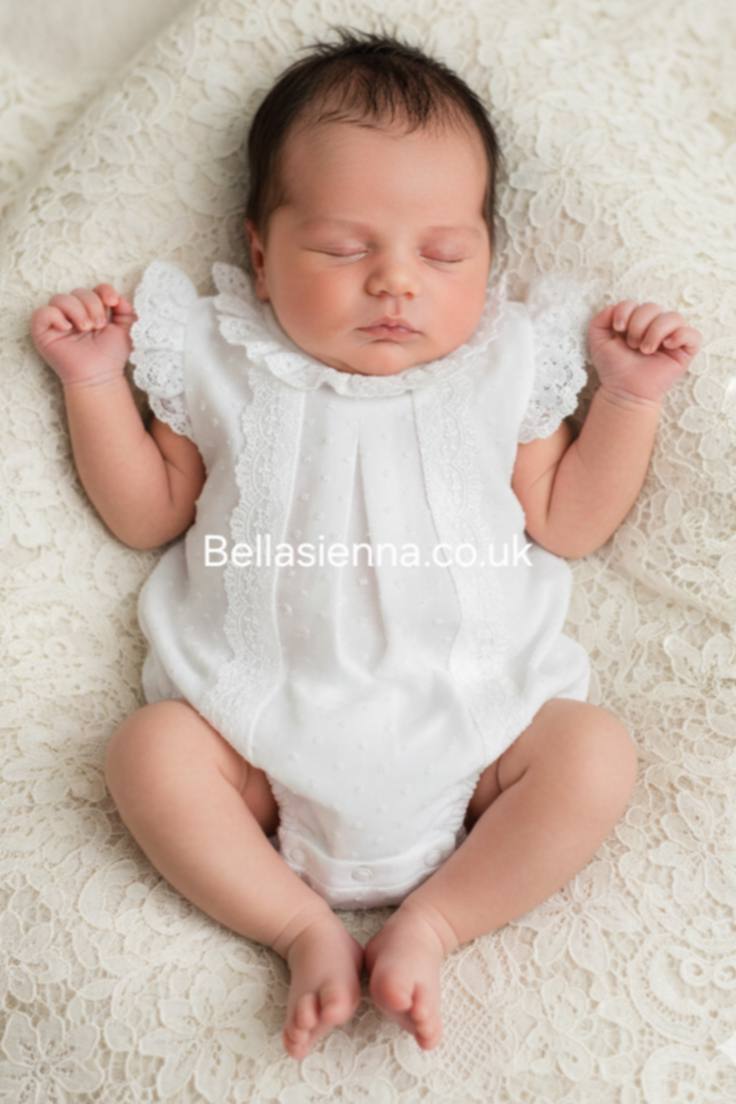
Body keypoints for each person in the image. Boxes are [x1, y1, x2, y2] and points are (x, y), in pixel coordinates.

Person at [29, 26, 702, 1063]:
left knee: (594, 753)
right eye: (344, 250)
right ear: (261, 253)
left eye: (442, 254)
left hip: (479, 732)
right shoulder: (216, 354)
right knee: (148, 754)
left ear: (487, 255)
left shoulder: (504, 363)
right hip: (254, 734)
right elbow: (146, 513)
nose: (395, 281)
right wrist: (93, 383)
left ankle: (436, 922)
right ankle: (298, 928)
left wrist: (628, 398)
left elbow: (567, 522)